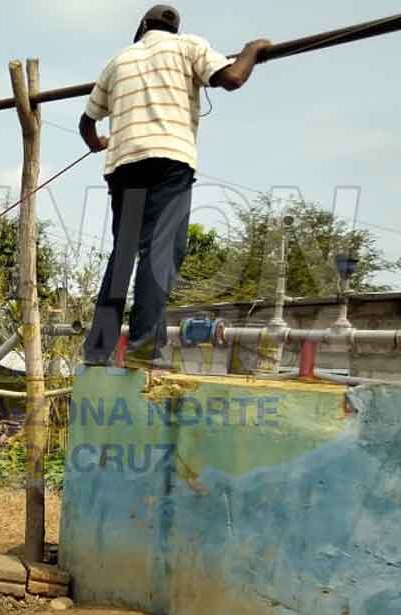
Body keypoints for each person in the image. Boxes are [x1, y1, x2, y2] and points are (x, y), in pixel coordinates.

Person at [78, 4, 270, 368]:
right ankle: (142, 348)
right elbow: (232, 79)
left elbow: (86, 123)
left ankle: (99, 348)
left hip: (125, 165)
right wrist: (252, 49)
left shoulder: (118, 61)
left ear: (141, 28)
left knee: (124, 254)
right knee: (160, 250)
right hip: (168, 160)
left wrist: (96, 143)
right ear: (174, 29)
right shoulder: (188, 46)